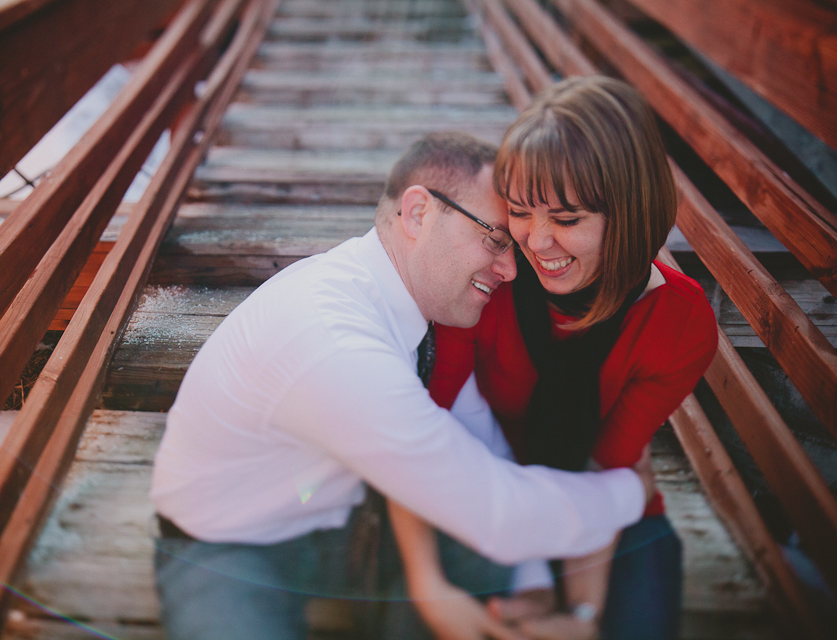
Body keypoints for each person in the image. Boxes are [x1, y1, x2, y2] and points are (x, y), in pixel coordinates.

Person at [149, 131, 656, 640]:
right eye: (495, 240)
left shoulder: (394, 298)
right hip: (225, 543)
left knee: (488, 581)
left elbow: (472, 436)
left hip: (342, 514)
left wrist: (529, 581)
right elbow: (493, 512)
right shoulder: (336, 341)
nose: (509, 269)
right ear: (418, 214)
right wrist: (629, 492)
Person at [389, 77, 718, 640]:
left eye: (567, 220)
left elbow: (610, 469)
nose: (536, 242)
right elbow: (421, 431)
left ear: (629, 212)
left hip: (605, 512)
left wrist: (580, 616)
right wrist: (429, 581)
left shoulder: (678, 324)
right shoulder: (483, 281)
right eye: (519, 212)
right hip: (479, 484)